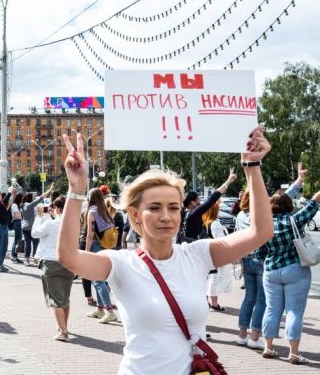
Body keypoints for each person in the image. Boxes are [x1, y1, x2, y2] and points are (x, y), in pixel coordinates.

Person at [56, 128, 274, 374]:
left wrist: (251, 166)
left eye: (173, 207)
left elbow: (261, 232)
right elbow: (68, 256)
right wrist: (76, 190)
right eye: (155, 208)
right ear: (136, 214)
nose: (166, 216)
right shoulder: (121, 263)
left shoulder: (197, 255)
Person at [257, 170, 320, 364]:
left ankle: (268, 347)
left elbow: (258, 252)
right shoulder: (294, 220)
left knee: (271, 310)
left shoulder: (265, 224)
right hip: (295, 268)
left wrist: (267, 263)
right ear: (290, 204)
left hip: (271, 271)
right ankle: (294, 353)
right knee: (294, 312)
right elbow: (315, 200)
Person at [236, 163, 306, 349]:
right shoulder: (261, 214)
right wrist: (298, 181)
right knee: (263, 301)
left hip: (245, 258)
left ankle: (242, 335)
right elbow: (283, 199)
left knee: (248, 298)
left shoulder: (241, 215)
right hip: (260, 258)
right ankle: (255, 337)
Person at [32, 196, 73, 341]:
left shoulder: (50, 224)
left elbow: (34, 233)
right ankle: (64, 325)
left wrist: (39, 216)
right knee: (64, 298)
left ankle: (63, 332)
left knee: (55, 300)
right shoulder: (72, 223)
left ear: (57, 209)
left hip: (51, 263)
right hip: (67, 262)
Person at [83, 187, 118, 324]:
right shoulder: (105, 212)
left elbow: (90, 234)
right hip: (106, 246)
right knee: (99, 278)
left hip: (96, 246)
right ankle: (100, 309)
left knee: (97, 279)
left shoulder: (92, 212)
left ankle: (109, 311)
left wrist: (86, 251)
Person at [178, 168, 237, 243]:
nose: (200, 205)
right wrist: (228, 181)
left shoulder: (180, 214)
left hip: (181, 248)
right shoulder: (193, 214)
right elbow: (212, 199)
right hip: (192, 249)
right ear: (192, 203)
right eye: (199, 203)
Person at [203, 202, 233, 312]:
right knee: (214, 280)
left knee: (207, 280)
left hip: (207, 256)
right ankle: (214, 305)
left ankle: (206, 303)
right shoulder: (215, 224)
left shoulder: (205, 222)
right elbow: (220, 242)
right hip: (216, 257)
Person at [21, 184, 54, 266]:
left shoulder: (23, 205)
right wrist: (49, 190)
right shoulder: (30, 205)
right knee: (35, 243)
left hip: (24, 227)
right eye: (32, 197)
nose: (33, 198)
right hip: (32, 227)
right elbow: (41, 198)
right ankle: (35, 261)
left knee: (27, 244)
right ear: (30, 198)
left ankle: (27, 260)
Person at [9, 192, 24, 264]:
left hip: (18, 222)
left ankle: (15, 256)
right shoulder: (14, 205)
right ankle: (13, 257)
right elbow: (16, 216)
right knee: (17, 240)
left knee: (17, 239)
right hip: (16, 222)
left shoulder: (17, 205)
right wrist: (19, 214)